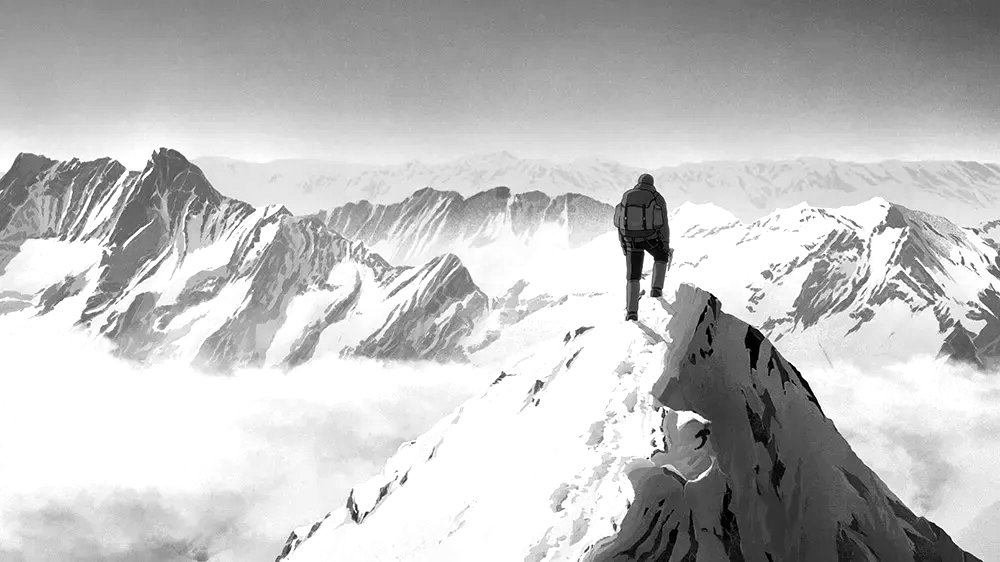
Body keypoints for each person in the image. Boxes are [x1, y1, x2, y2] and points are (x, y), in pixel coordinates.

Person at [613, 173, 672, 321]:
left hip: (631, 240)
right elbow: (663, 224)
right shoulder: (657, 197)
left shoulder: (627, 196)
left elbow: (620, 223)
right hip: (650, 238)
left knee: (633, 276)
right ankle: (656, 290)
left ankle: (631, 312)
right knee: (661, 256)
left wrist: (623, 244)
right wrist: (665, 245)